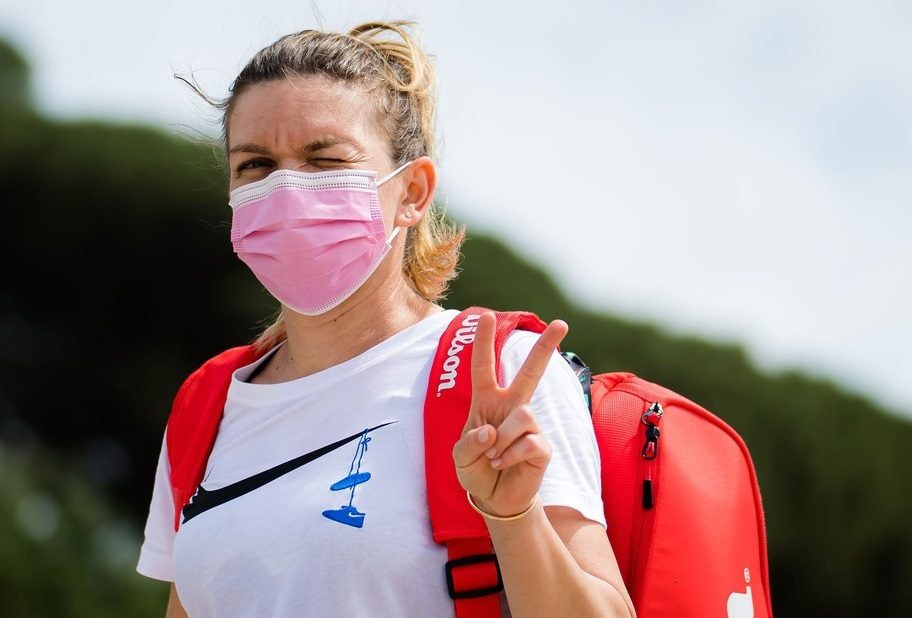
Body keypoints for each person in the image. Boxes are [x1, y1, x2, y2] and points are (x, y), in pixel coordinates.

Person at [137, 21, 635, 618]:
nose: (287, 188)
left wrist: (513, 516)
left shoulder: (501, 371)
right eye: (256, 165)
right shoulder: (208, 402)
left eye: (325, 159)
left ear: (414, 192)